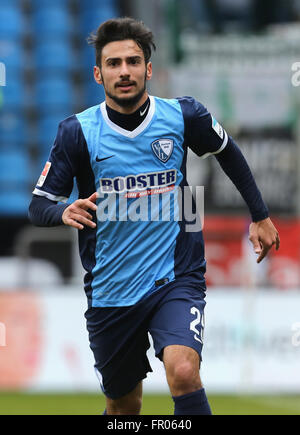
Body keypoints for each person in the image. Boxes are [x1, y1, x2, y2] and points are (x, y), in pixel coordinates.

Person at [28, 17, 280, 415]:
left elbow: (227, 150)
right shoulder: (76, 132)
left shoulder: (183, 116)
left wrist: (260, 215)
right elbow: (38, 205)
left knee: (183, 371)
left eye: (133, 61)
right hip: (111, 289)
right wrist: (63, 211)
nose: (124, 71)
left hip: (176, 276)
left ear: (148, 68)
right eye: (113, 63)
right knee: (125, 406)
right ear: (98, 73)